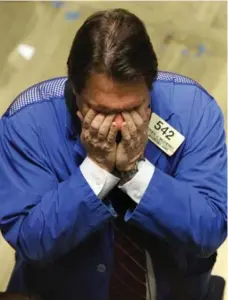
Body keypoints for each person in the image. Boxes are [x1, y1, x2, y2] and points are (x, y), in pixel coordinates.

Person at [0, 8, 226, 300]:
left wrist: (135, 170)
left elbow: (208, 232)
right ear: (75, 91)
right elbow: (33, 243)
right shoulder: (26, 124)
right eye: (102, 111)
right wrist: (97, 168)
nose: (119, 125)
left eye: (133, 109)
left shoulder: (193, 110)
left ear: (150, 87)